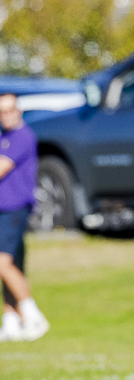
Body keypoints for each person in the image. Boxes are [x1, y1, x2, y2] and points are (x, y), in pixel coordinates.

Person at [0, 93, 50, 342]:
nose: (6, 116)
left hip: (14, 209)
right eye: (1, 112)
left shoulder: (22, 136)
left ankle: (33, 316)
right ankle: (11, 321)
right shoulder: (3, 136)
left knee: (2, 263)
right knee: (12, 265)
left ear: (18, 111)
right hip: (2, 209)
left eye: (10, 110)